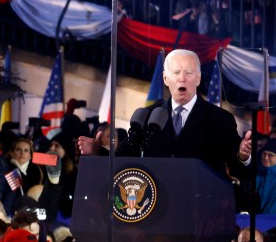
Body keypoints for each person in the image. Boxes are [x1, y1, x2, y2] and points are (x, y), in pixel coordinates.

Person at [77, 49, 251, 179]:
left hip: (200, 215)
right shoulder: (147, 115)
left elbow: (238, 171)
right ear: (166, 78)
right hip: (154, 211)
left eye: (188, 73)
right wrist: (98, 152)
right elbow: (124, 161)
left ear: (198, 78)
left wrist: (243, 157)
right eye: (176, 72)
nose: (182, 78)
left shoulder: (220, 120)